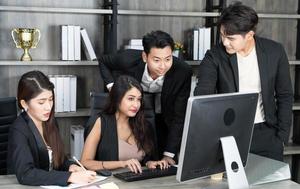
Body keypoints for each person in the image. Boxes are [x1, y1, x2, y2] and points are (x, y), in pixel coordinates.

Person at [194, 2, 293, 161]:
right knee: (231, 184)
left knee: (270, 185)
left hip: (267, 134)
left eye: (231, 38)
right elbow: (203, 95)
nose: (225, 42)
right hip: (228, 134)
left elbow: (285, 95)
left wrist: (281, 136)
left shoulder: (275, 51)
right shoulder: (214, 55)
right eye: (222, 35)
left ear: (249, 35)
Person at [99, 30, 193, 165]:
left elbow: (179, 116)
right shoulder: (128, 59)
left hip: (164, 116)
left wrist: (168, 154)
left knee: (163, 162)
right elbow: (103, 61)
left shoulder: (183, 72)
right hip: (135, 115)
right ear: (145, 56)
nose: (162, 66)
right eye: (156, 60)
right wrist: (112, 87)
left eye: (168, 59)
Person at [7, 70, 96, 186]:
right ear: (24, 104)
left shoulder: (50, 122)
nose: (48, 107)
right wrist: (69, 177)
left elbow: (58, 160)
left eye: (51, 99)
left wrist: (70, 166)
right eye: (41, 102)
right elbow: (26, 174)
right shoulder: (19, 130)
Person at [81, 75, 169, 173]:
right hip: (110, 183)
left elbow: (146, 159)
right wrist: (122, 163)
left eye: (139, 99)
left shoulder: (144, 124)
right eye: (131, 99)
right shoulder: (101, 122)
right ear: (117, 99)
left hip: (138, 182)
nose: (136, 105)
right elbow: (85, 162)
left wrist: (149, 163)